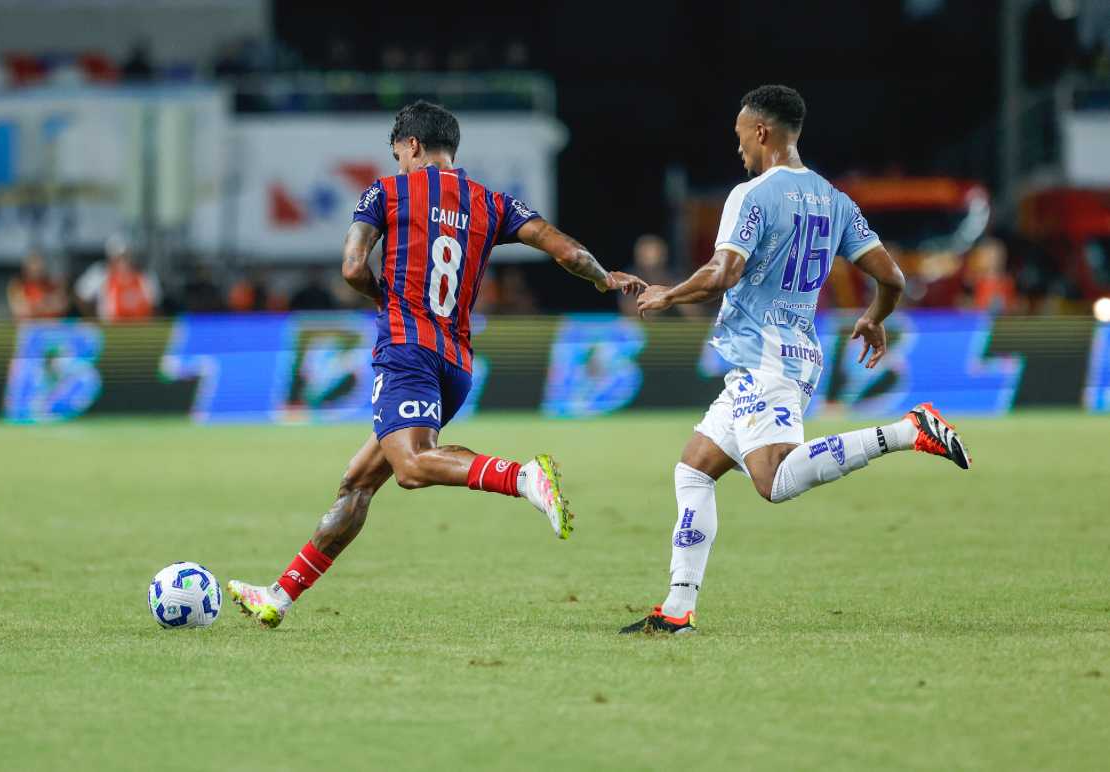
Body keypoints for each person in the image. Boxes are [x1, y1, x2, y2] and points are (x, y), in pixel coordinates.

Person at [228, 101, 645, 628]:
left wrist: (385, 298)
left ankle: (522, 477)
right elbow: (565, 251)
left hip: (407, 351)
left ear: (413, 146)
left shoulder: (386, 191)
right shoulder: (493, 203)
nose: (398, 160)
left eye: (397, 151)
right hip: (456, 364)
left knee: (412, 466)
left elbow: (353, 268)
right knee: (357, 484)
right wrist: (606, 279)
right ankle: (279, 596)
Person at [620, 85, 971, 636]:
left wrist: (669, 295)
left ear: (760, 132)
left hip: (765, 359)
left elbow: (723, 272)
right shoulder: (834, 199)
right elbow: (893, 278)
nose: (738, 148)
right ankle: (677, 608)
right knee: (693, 469)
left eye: (740, 136)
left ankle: (907, 431)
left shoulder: (751, 194)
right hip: (791, 355)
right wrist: (875, 316)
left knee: (774, 481)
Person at [74, 237, 160, 321]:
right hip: (110, 330)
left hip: (142, 330)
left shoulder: (145, 277)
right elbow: (81, 296)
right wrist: (94, 321)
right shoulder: (100, 275)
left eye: (125, 256)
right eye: (118, 257)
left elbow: (155, 306)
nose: (123, 261)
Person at [7, 252, 68, 320]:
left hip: (53, 326)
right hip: (29, 327)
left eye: (39, 266)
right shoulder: (18, 285)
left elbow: (61, 306)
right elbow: (21, 311)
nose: (37, 269)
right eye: (34, 265)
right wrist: (46, 303)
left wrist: (35, 305)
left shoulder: (52, 284)